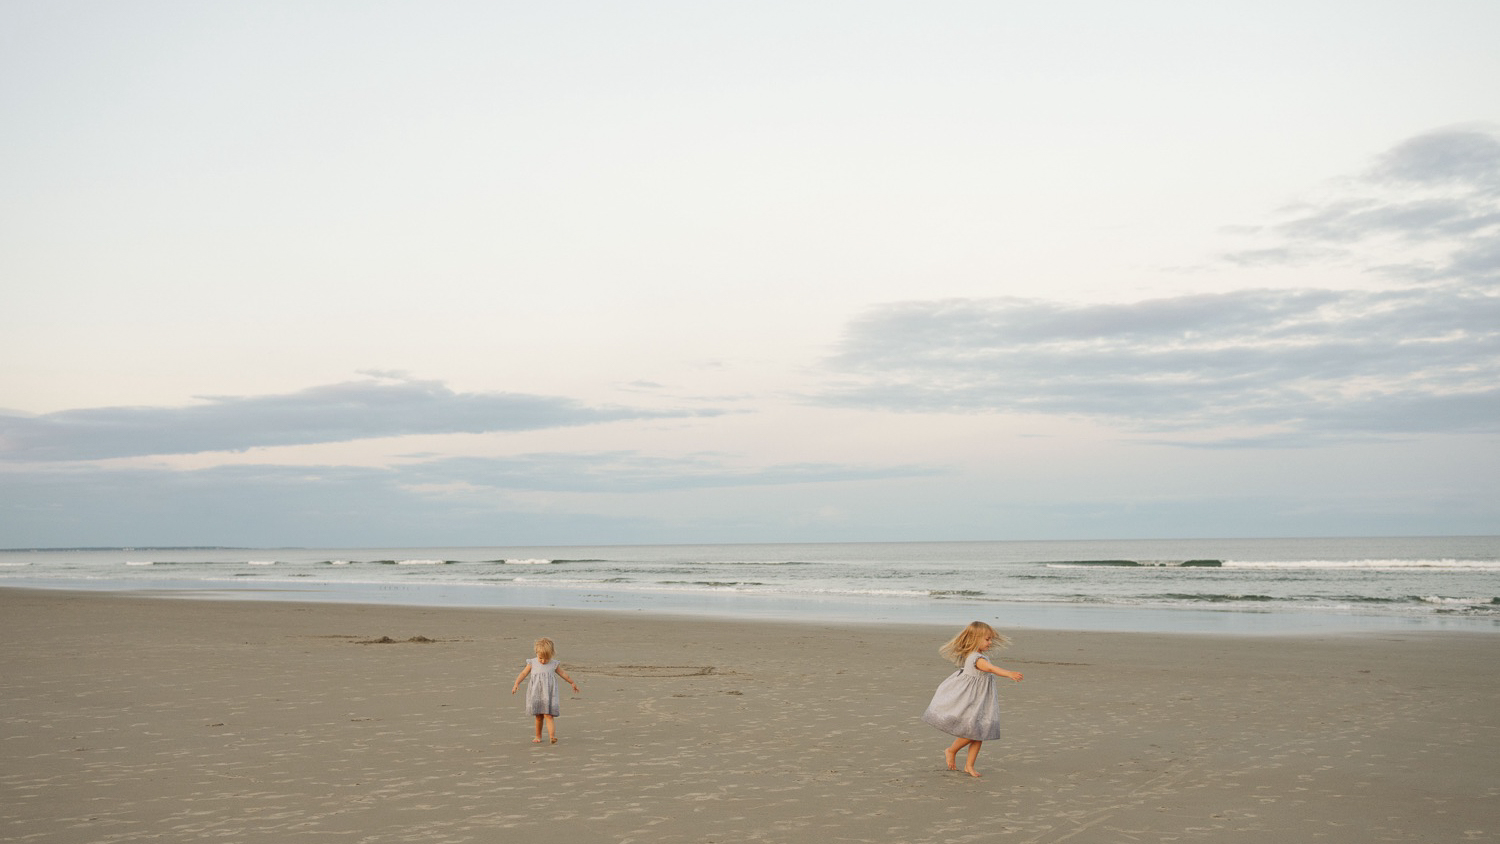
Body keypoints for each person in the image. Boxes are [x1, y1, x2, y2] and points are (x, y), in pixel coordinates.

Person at [920, 621, 1023, 777]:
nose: (990, 642)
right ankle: (951, 750)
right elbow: (990, 669)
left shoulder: (978, 655)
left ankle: (969, 766)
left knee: (978, 735)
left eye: (990, 639)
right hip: (972, 700)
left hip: (980, 699)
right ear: (975, 639)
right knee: (973, 732)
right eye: (987, 639)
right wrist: (1008, 673)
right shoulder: (976, 658)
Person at [510, 636, 580, 744]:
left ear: (551, 655)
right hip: (536, 693)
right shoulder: (532, 663)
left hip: (549, 694)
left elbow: (563, 674)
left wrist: (572, 682)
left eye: (546, 658)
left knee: (549, 715)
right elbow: (523, 673)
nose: (543, 661)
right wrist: (516, 683)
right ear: (536, 653)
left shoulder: (553, 664)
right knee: (538, 716)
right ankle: (538, 736)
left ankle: (552, 736)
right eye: (540, 658)